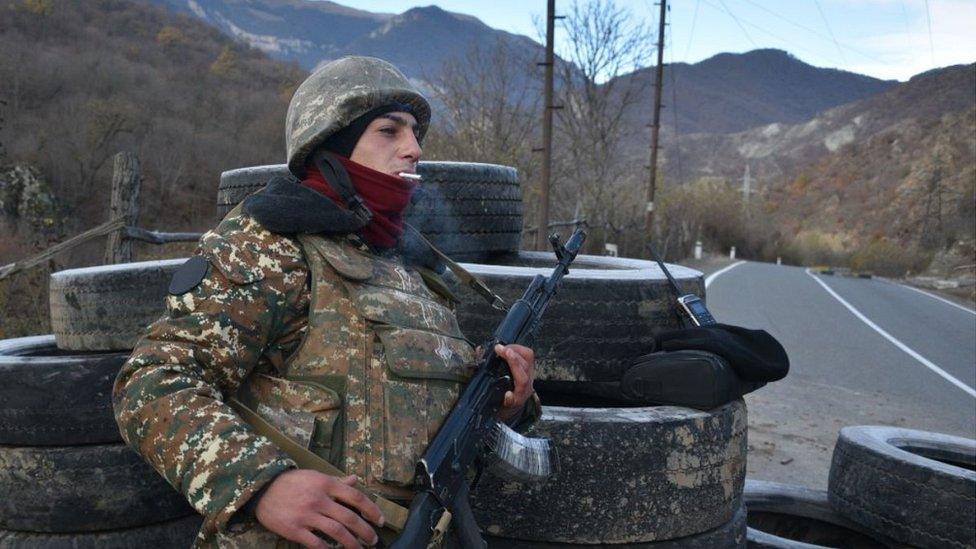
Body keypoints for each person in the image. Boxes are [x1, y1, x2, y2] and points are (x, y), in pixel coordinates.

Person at [113, 56, 540, 548]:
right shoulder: (272, 245)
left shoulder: (410, 269)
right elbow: (149, 385)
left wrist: (509, 402)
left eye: (415, 134)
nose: (414, 148)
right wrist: (261, 484)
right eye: (389, 131)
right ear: (331, 144)